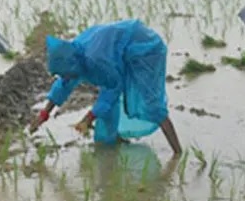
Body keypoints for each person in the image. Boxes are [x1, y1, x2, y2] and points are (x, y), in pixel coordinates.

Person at [29, 19, 182, 155]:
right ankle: (112, 143)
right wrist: (44, 114)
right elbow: (64, 84)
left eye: (67, 74)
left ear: (73, 65)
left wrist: (89, 118)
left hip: (144, 49)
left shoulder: (95, 60)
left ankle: (178, 153)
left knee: (151, 103)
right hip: (120, 49)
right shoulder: (72, 54)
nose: (66, 78)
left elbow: (113, 88)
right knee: (106, 107)